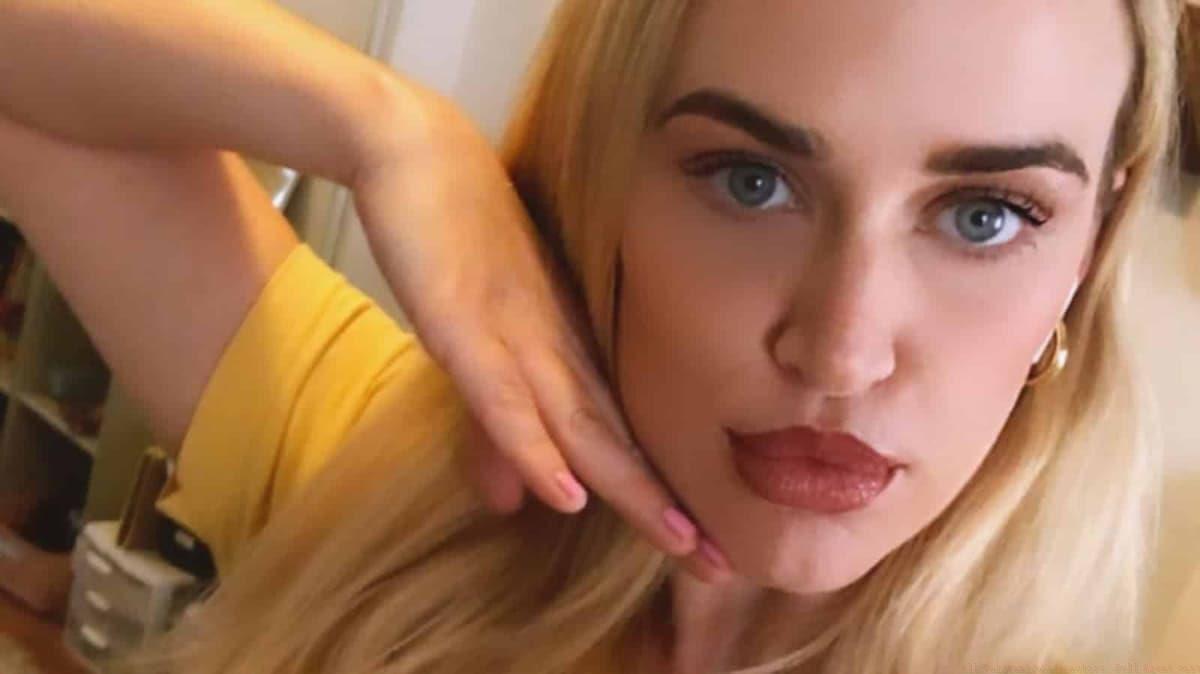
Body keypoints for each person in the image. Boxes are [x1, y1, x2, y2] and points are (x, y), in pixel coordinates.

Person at [0, 0, 1182, 672]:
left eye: (986, 215)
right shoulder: (390, 490)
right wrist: (392, 133)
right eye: (751, 180)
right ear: (602, 176)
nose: (842, 350)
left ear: (1092, 245)